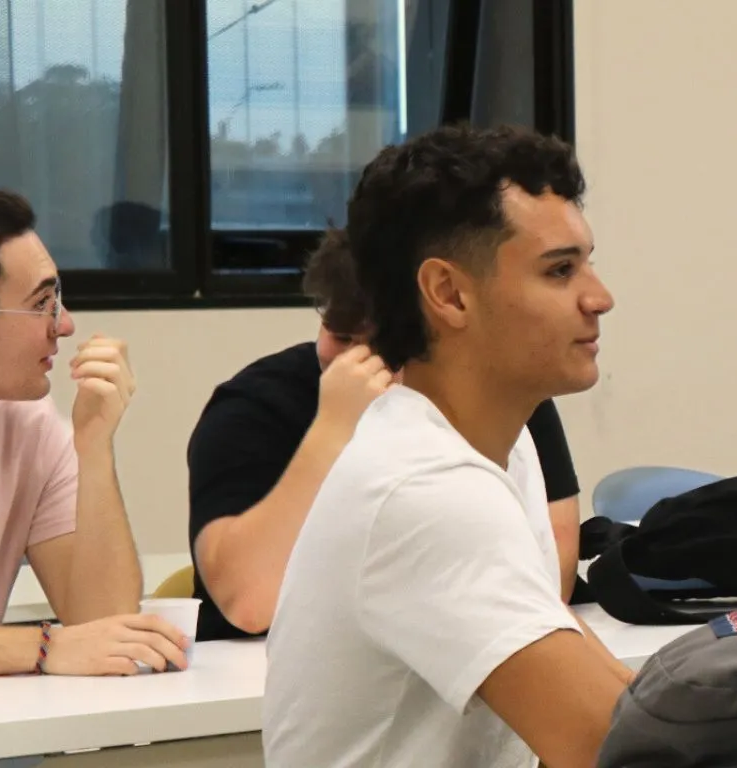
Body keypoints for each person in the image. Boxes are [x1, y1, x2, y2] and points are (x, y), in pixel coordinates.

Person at [264, 125, 630, 767]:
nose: (599, 297)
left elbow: (615, 700)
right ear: (449, 294)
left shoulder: (504, 452)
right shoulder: (425, 487)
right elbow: (617, 746)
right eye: (560, 270)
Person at [186, 231, 585, 643]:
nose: (357, 361)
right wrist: (332, 430)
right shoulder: (255, 406)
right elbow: (250, 604)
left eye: (384, 347)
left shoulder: (499, 394)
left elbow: (552, 573)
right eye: (340, 336)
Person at [0, 183, 188, 678]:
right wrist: (43, 648)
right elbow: (74, 643)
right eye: (42, 303)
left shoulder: (27, 424)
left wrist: (94, 445)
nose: (64, 325)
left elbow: (107, 626)